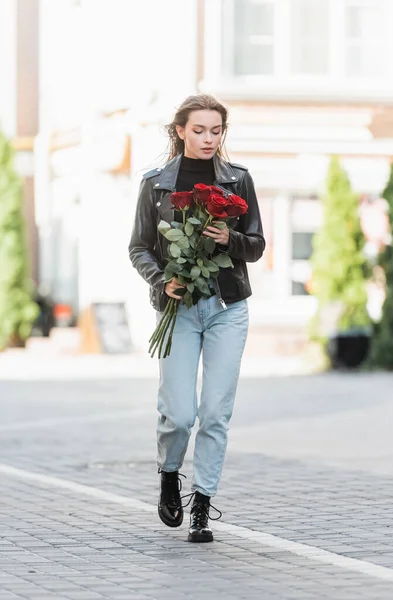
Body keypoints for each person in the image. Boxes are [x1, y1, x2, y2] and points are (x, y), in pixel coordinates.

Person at [128, 94, 265, 543]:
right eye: (199, 130)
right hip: (178, 309)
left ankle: (202, 505)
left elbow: (257, 245)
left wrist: (229, 238)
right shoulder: (155, 185)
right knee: (180, 414)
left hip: (228, 308)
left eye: (216, 131)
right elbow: (139, 247)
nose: (209, 138)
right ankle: (170, 473)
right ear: (180, 131)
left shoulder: (238, 180)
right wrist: (161, 279)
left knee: (215, 413)